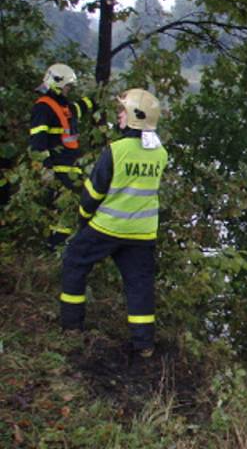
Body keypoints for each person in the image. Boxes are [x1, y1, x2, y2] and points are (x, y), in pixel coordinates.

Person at [60, 89, 168, 358]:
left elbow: (93, 193)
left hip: (107, 227)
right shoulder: (160, 153)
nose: (119, 115)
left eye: (122, 111)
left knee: (74, 261)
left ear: (133, 116)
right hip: (142, 233)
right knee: (140, 284)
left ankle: (71, 327)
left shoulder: (115, 151)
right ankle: (143, 344)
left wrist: (84, 219)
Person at [29, 63, 95, 248]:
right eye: (67, 86)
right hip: (57, 172)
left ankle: (61, 251)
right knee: (61, 215)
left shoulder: (63, 107)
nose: (68, 90)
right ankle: (55, 250)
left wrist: (97, 98)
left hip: (70, 171)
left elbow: (78, 109)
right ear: (56, 84)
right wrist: (46, 169)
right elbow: (37, 143)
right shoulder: (43, 108)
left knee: (67, 215)